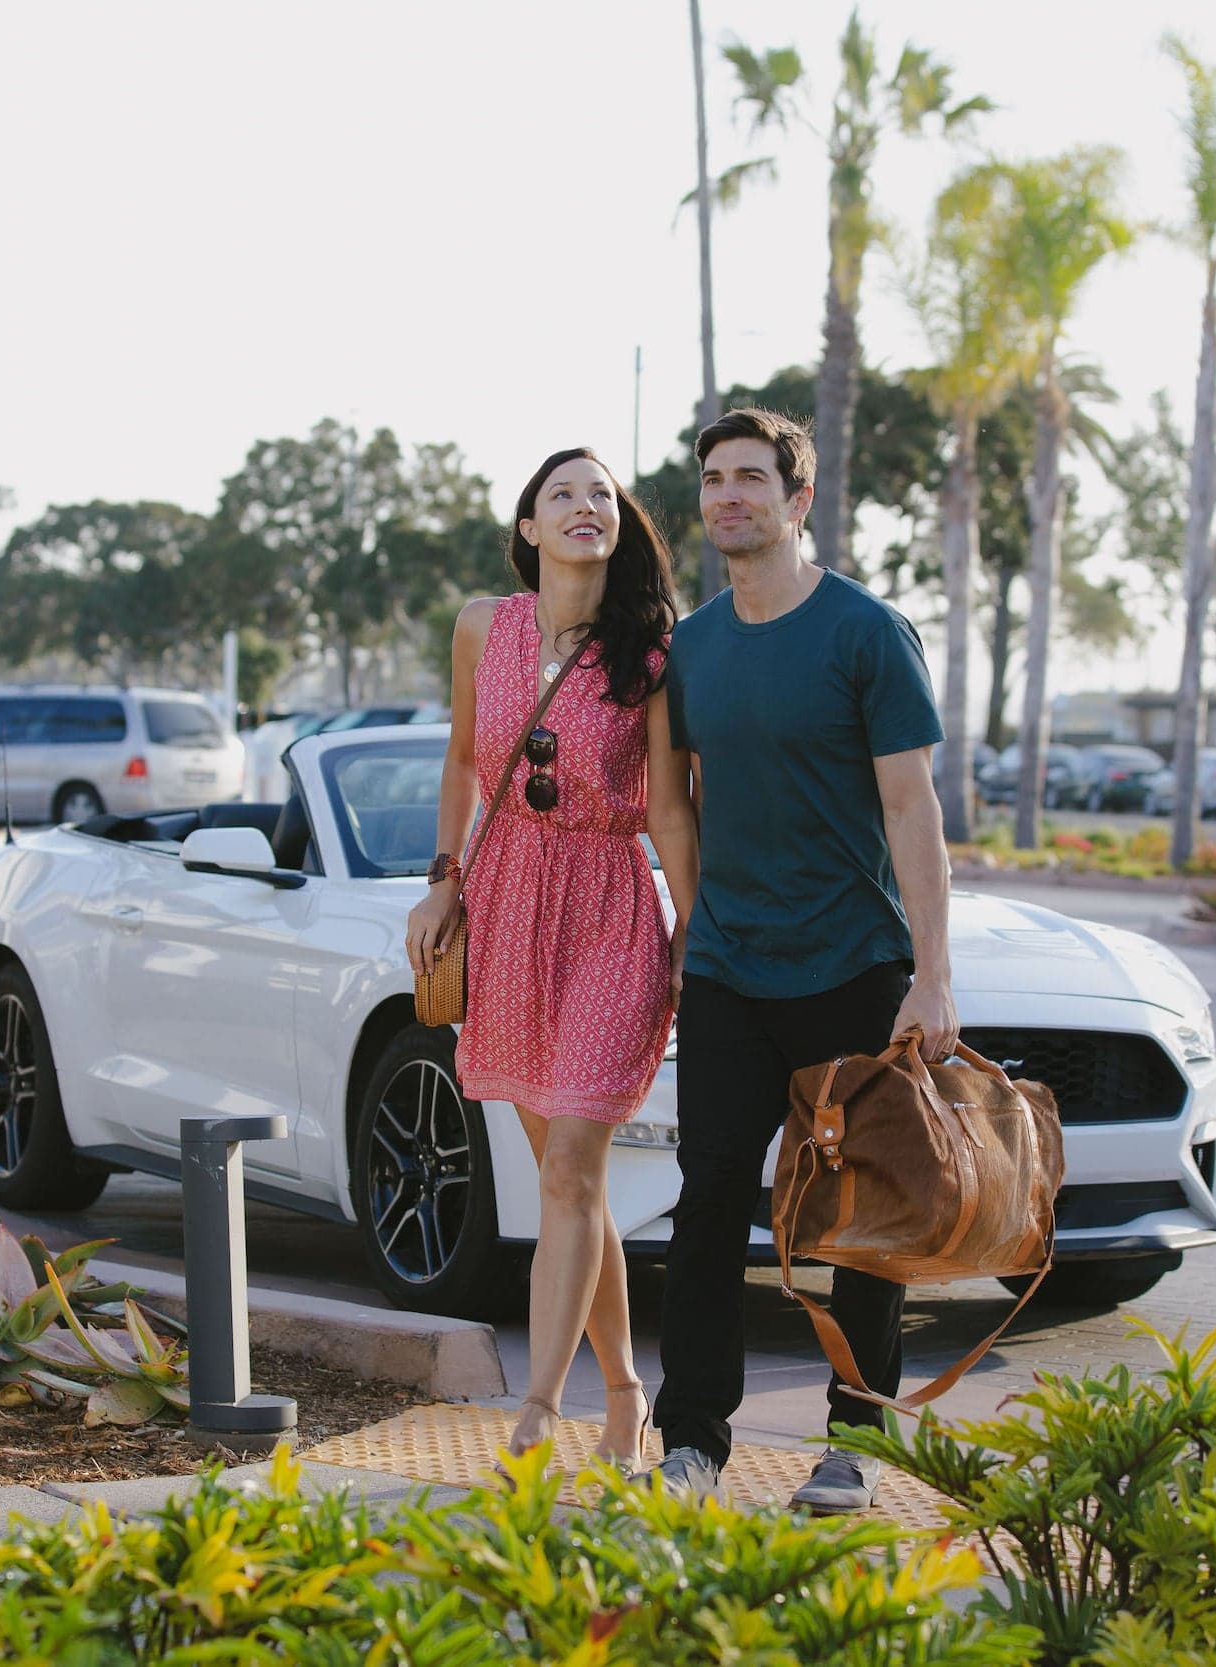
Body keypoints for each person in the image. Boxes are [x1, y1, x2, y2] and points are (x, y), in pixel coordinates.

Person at [648, 407, 957, 1515]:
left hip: (852, 966)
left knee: (859, 1213)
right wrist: (696, 920)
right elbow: (670, 800)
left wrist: (932, 971)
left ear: (797, 498)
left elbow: (909, 803)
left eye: (749, 477)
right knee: (707, 1200)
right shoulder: (690, 646)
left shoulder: (866, 633)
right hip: (731, 968)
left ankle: (860, 1440)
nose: (727, 495)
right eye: (713, 479)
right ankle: (690, 1444)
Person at [404, 446, 695, 1468]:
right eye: (561, 493)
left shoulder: (652, 651)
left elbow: (667, 806)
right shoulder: (485, 626)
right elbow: (459, 757)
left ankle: (536, 1402)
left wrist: (692, 923)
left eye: (601, 495)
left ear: (620, 526)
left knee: (573, 1164)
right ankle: (624, 1391)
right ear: (528, 527)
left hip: (610, 910)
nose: (585, 506)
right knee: (569, 1181)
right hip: (507, 905)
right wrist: (443, 877)